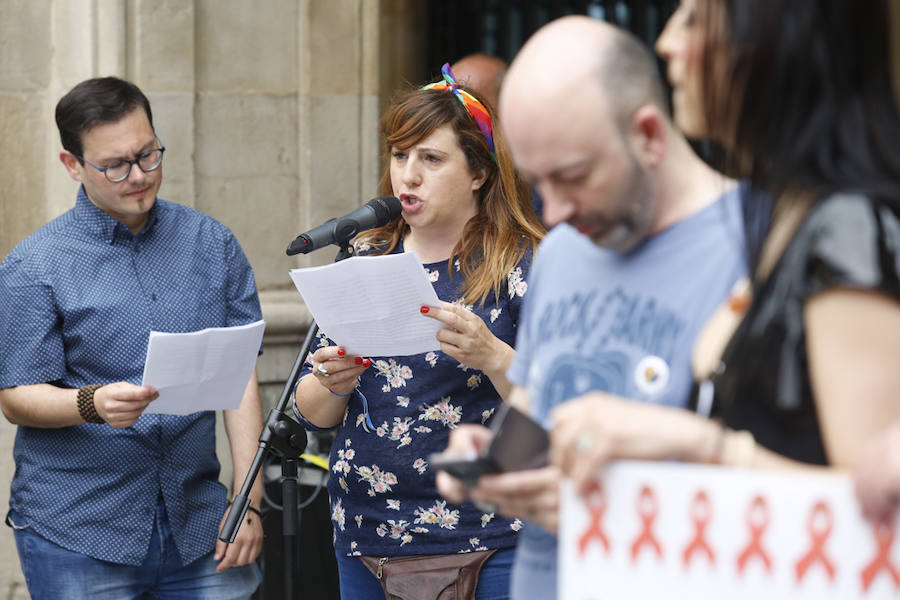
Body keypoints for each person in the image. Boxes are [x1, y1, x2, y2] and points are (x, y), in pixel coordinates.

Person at [548, 0, 900, 534]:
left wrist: (701, 445)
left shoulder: (848, 227)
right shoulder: (782, 212)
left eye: (692, 18)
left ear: (775, 37)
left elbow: (878, 529)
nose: (665, 42)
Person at [437, 16, 746, 599]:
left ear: (649, 135)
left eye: (573, 177)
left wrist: (612, 499)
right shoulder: (562, 253)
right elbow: (537, 404)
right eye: (538, 183)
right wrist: (497, 457)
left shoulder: (761, 246)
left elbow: (809, 485)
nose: (553, 212)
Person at [0, 77, 264, 599]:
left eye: (148, 155)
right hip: (77, 528)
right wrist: (91, 403)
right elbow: (15, 398)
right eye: (115, 165)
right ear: (72, 165)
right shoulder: (33, 266)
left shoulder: (211, 243)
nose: (139, 176)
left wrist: (247, 499)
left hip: (204, 524)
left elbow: (240, 379)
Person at [291, 64, 544, 599]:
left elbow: (557, 411)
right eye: (400, 155)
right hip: (367, 529)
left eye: (431, 159)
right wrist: (332, 382)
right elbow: (312, 412)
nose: (408, 175)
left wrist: (493, 355)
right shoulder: (366, 253)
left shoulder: (521, 264)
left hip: (490, 533)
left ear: (479, 172)